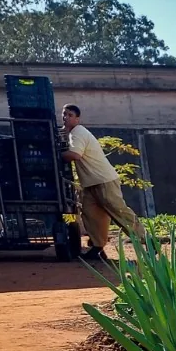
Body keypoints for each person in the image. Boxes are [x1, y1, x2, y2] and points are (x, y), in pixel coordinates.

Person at [61, 104, 145, 260]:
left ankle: (146, 240)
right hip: (90, 184)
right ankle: (97, 248)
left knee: (119, 212)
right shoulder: (74, 133)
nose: (65, 117)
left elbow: (74, 155)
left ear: (77, 118)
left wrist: (57, 155)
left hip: (103, 180)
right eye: (64, 114)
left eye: (70, 115)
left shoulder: (77, 132)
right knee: (91, 215)